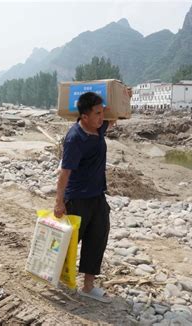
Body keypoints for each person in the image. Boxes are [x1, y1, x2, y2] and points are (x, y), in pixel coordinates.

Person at [54, 92, 114, 303]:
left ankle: (88, 286)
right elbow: (64, 173)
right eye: (97, 113)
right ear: (84, 117)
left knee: (97, 238)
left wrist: (125, 97)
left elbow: (115, 117)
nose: (102, 117)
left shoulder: (99, 128)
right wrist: (59, 202)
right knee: (71, 241)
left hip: (97, 196)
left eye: (102, 112)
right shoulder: (75, 139)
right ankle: (53, 274)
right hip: (77, 198)